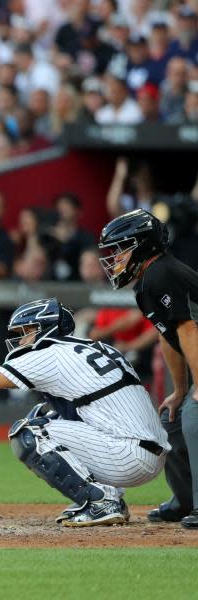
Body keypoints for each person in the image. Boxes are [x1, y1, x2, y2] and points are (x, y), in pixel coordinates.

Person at [0, 298, 168, 526]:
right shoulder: (95, 347)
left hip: (127, 455)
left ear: (45, 330)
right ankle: (109, 496)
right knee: (46, 414)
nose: (21, 339)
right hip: (150, 452)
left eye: (26, 331)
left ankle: (101, 501)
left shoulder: (50, 354)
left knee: (27, 433)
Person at [99, 209, 198, 529]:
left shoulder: (162, 273)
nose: (114, 259)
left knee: (195, 419)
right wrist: (181, 389)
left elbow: (189, 329)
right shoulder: (147, 282)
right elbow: (168, 336)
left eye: (120, 249)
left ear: (142, 245)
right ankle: (185, 501)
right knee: (173, 418)